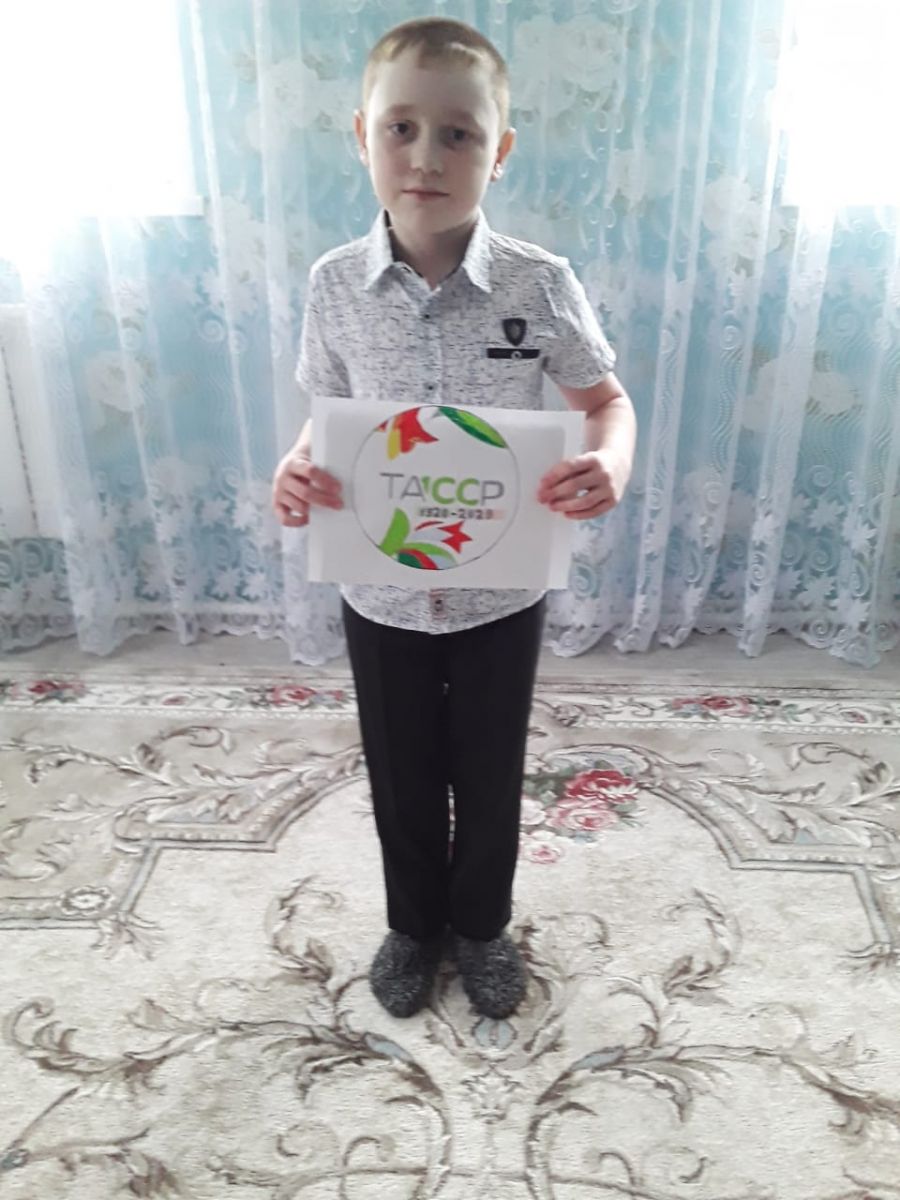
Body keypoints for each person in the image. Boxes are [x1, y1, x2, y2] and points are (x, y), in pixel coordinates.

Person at [272, 17, 636, 1020]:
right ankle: (413, 923)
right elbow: (327, 416)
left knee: (487, 769)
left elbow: (606, 402)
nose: (427, 157)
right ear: (363, 137)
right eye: (401, 128)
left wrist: (609, 459)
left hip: (499, 590)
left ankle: (480, 925)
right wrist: (297, 465)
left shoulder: (539, 283)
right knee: (401, 772)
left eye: (459, 134)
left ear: (499, 149)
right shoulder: (334, 286)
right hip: (380, 588)